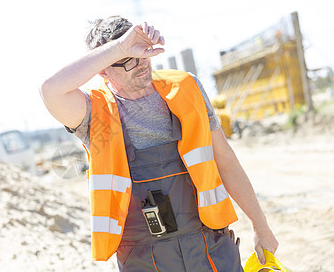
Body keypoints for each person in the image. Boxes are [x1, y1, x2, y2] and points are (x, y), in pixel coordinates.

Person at [40, 16, 278, 271]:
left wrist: (260, 225)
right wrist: (120, 47)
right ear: (103, 68)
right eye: (127, 59)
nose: (141, 63)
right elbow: (51, 90)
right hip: (144, 259)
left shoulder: (186, 88)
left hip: (209, 247)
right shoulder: (94, 113)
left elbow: (226, 162)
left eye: (142, 53)